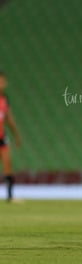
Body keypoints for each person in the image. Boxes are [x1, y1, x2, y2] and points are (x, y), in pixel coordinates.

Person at [0, 72, 22, 202]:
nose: (2, 84)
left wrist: (16, 136)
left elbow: (10, 120)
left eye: (3, 82)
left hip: (2, 137)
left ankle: (9, 195)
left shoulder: (5, 99)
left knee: (8, 163)